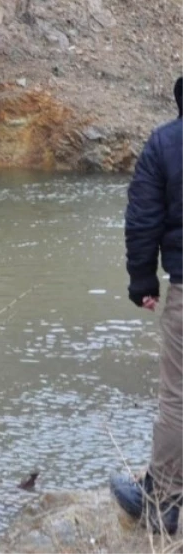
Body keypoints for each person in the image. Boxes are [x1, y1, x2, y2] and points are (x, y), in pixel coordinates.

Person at [110, 76, 183, 534]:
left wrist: (142, 280)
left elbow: (142, 218)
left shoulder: (166, 142)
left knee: (178, 397)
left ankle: (162, 503)